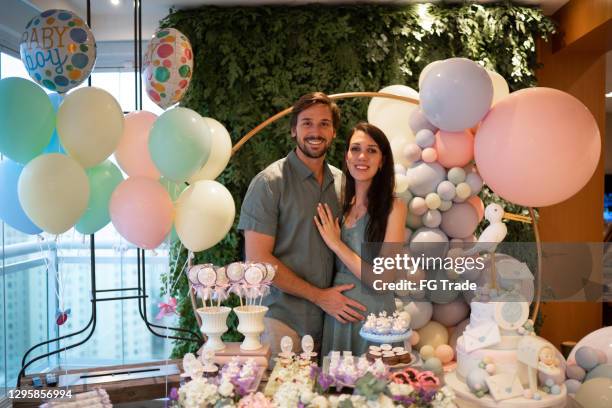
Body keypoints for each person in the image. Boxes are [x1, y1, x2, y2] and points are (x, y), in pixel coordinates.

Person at [237, 92, 367, 355]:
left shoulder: (343, 184)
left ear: (333, 132)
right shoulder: (270, 183)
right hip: (280, 320)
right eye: (307, 123)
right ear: (293, 130)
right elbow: (257, 259)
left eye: (324, 124)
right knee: (278, 395)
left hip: (332, 322)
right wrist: (319, 296)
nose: (315, 131)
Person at [316, 122, 407, 357]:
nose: (362, 156)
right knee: (335, 387)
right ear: (346, 157)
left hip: (374, 317)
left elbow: (384, 279)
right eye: (355, 149)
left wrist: (336, 244)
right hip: (338, 314)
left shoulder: (394, 207)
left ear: (382, 160)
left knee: (373, 388)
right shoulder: (339, 204)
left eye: (372, 150)